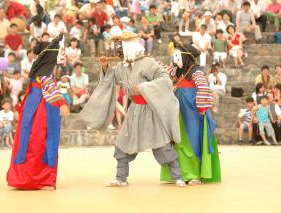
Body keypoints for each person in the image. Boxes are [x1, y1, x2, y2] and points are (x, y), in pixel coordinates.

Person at [80, 32, 186, 187]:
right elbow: (111, 79)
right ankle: (121, 178)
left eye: (120, 47)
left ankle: (177, 177)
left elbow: (165, 79)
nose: (117, 51)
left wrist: (143, 87)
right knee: (122, 144)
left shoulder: (148, 63)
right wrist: (105, 67)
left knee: (162, 144)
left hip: (150, 110)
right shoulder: (122, 66)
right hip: (133, 110)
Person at [7, 33, 70, 190]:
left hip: (31, 105)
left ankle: (22, 178)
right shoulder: (46, 73)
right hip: (43, 107)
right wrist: (62, 103)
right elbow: (50, 87)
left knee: (26, 140)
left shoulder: (37, 69)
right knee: (41, 140)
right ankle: (42, 179)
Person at [160, 35, 221, 185]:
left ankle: (194, 174)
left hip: (193, 113)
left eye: (177, 57)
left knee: (193, 142)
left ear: (186, 58)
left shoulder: (196, 72)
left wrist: (200, 106)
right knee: (179, 142)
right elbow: (164, 69)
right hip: (179, 113)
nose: (175, 60)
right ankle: (180, 173)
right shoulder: (180, 73)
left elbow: (203, 88)